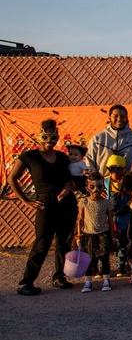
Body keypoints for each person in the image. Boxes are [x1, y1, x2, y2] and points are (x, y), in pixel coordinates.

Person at [8, 119, 79, 294]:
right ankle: (26, 282)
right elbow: (12, 178)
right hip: (44, 204)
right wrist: (25, 200)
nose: (50, 140)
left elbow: (70, 179)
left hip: (66, 203)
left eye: (54, 137)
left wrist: (69, 187)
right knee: (42, 244)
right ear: (40, 136)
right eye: (46, 136)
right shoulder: (29, 156)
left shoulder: (62, 157)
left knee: (64, 242)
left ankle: (59, 277)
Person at [75, 173, 115, 292]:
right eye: (92, 186)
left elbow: (111, 219)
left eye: (99, 186)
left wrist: (112, 235)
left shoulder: (106, 203)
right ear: (87, 187)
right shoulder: (84, 202)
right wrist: (78, 234)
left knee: (104, 256)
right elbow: (80, 219)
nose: (96, 190)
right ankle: (88, 280)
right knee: (89, 257)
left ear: (103, 187)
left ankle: (106, 279)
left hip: (103, 232)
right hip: (88, 233)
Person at [86, 104, 132, 174]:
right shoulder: (98, 139)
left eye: (122, 116)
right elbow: (89, 162)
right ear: (109, 118)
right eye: (115, 116)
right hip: (103, 182)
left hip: (128, 183)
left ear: (127, 118)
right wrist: (95, 178)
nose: (119, 119)